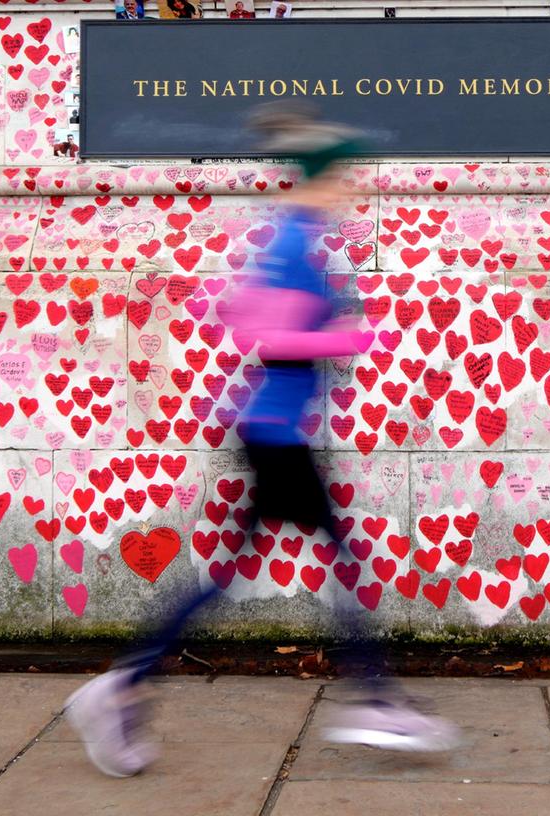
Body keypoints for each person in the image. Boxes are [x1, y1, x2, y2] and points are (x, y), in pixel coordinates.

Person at [63, 101, 460, 778]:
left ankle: (121, 687)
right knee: (343, 561)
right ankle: (374, 701)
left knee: (235, 575)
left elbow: (246, 315)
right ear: (320, 180)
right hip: (274, 432)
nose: (351, 192)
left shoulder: (293, 240)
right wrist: (350, 336)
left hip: (274, 429)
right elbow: (264, 338)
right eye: (344, 179)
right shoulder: (290, 243)